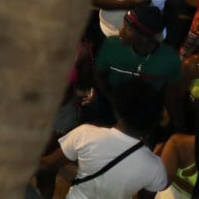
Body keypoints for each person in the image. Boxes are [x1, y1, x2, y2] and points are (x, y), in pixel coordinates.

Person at [37, 80, 168, 199]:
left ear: (118, 109)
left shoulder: (86, 134)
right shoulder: (155, 168)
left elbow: (47, 164)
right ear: (154, 121)